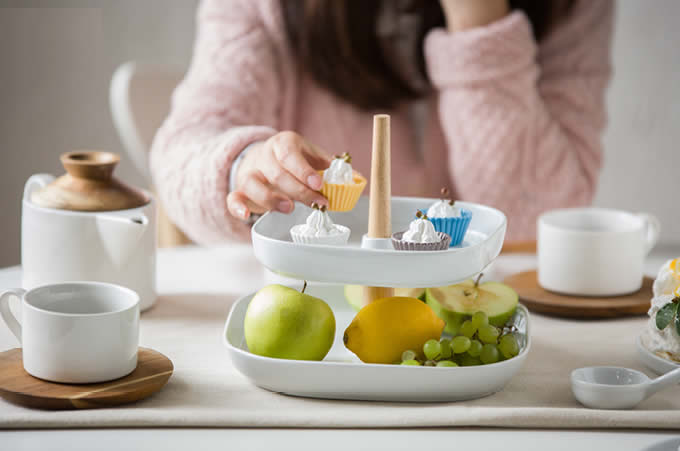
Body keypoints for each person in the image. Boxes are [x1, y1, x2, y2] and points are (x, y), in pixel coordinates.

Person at [150, 0, 613, 243]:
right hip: (310, 297)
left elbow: (538, 220)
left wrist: (478, 20)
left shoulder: (567, 7)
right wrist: (246, 166)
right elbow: (182, 152)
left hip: (467, 307)